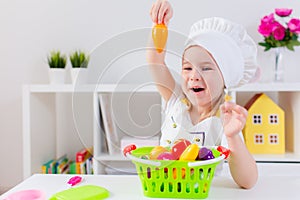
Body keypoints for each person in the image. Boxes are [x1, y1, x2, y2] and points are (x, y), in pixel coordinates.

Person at [147, 0, 258, 189]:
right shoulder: (175, 100)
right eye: (187, 68)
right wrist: (160, 24)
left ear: (226, 78)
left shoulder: (226, 118)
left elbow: (248, 182)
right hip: (164, 189)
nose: (193, 76)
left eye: (206, 68)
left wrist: (232, 137)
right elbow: (154, 61)